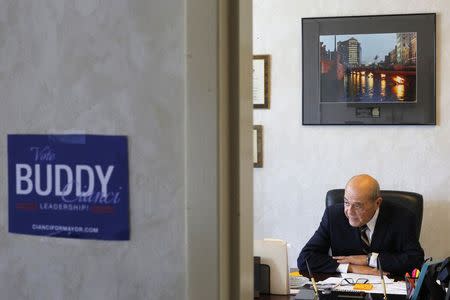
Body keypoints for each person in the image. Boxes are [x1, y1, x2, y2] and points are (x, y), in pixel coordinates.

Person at [297, 174, 424, 276]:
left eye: (358, 205)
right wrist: (351, 267)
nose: (349, 212)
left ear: (377, 203)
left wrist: (369, 260)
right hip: (346, 289)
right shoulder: (333, 216)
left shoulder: (402, 217)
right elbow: (305, 258)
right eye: (346, 202)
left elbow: (415, 260)